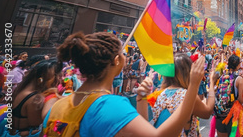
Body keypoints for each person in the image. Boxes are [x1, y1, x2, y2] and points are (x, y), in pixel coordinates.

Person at [42, 32, 206, 137]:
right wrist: (192, 86)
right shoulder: (110, 105)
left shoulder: (56, 105)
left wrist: (141, 97)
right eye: (122, 52)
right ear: (116, 61)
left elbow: (141, 126)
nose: (125, 55)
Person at [136, 53, 216, 137]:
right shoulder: (187, 95)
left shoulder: (159, 94)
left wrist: (141, 100)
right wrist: (212, 82)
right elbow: (207, 112)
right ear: (188, 73)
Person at [2, 59, 62, 137]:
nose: (58, 80)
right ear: (42, 79)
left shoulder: (21, 89)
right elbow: (39, 123)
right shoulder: (35, 98)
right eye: (55, 77)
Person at [214, 54, 243, 137]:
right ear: (238, 65)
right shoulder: (239, 79)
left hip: (220, 115)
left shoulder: (222, 76)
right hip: (232, 115)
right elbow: (241, 100)